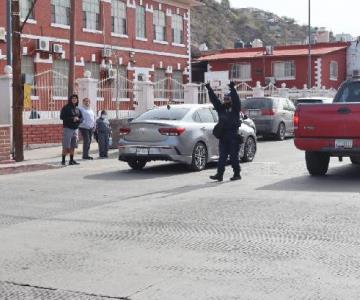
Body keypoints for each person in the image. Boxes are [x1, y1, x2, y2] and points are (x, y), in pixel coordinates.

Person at [205, 81, 242, 181]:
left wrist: (233, 89)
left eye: (228, 99)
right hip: (223, 137)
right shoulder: (221, 109)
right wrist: (209, 89)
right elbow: (215, 100)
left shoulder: (235, 109)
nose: (226, 100)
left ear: (231, 100)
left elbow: (237, 100)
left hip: (233, 137)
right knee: (222, 157)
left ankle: (237, 174)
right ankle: (219, 175)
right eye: (225, 99)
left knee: (234, 157)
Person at [60, 94, 83, 166]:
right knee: (66, 145)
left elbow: (82, 118)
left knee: (73, 145)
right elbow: (62, 117)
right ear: (70, 99)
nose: (74, 100)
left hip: (75, 129)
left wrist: (78, 119)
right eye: (73, 98)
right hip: (67, 128)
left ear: (77, 100)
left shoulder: (78, 109)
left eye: (75, 99)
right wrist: (72, 118)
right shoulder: (66, 107)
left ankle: (71, 160)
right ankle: (63, 160)